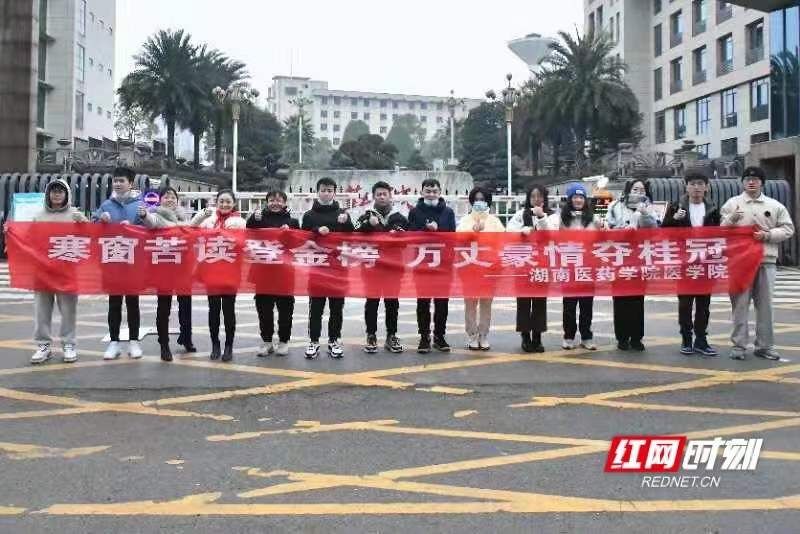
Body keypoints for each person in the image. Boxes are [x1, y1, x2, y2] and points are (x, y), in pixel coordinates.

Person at [721, 166, 795, 361]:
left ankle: (765, 346)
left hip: (766, 261)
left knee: (766, 306)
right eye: (747, 179)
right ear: (743, 182)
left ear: (762, 182)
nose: (751, 182)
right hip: (739, 262)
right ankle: (739, 346)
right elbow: (720, 230)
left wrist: (768, 235)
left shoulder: (774, 205)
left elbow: (788, 229)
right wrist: (731, 219)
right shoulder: (732, 204)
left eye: (755, 179)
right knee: (739, 305)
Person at [538, 183, 604, 352]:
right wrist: (541, 218)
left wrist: (604, 227)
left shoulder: (593, 219)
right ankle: (568, 336)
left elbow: (605, 236)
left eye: (581, 197)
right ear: (570, 199)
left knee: (586, 305)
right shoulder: (561, 218)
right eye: (575, 197)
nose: (578, 200)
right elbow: (546, 232)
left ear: (585, 200)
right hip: (568, 267)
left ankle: (587, 337)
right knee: (569, 305)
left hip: (588, 267)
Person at [662, 171, 721, 357]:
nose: (696, 187)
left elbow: (721, 234)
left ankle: (701, 340)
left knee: (704, 304)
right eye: (692, 183)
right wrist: (674, 220)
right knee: (685, 304)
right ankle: (686, 339)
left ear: (706, 187)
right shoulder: (675, 207)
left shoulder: (713, 209)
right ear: (686, 186)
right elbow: (663, 232)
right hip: (684, 263)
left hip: (705, 263)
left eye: (700, 183)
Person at [29, 179, 88, 364]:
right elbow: (28, 240)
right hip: (43, 272)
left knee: (68, 311)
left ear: (67, 194)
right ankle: (43, 345)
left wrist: (83, 222)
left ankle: (68, 344)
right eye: (53, 191)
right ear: (48, 194)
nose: (56, 194)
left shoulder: (75, 215)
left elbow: (89, 238)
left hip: (67, 271)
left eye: (60, 191)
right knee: (41, 311)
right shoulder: (38, 216)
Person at [93, 166, 145, 361]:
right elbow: (93, 227)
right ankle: (114, 343)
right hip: (112, 262)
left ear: (130, 183)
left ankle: (134, 342)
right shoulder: (106, 205)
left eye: (122, 180)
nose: (117, 183)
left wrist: (134, 228)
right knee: (114, 303)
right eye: (115, 180)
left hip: (133, 263)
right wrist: (101, 221)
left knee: (133, 303)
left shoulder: (139, 206)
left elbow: (149, 230)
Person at [301, 177, 355, 359]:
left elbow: (352, 235)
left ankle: (334, 340)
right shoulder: (309, 215)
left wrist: (346, 222)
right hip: (317, 266)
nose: (326, 193)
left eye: (329, 189)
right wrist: (317, 230)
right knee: (315, 307)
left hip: (338, 267)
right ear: (317, 192)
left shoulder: (342, 213)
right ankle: (313, 341)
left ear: (334, 192)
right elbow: (302, 237)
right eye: (323, 189)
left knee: (336, 308)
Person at [140, 186, 195, 362]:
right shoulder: (157, 215)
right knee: (164, 307)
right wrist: (143, 216)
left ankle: (186, 337)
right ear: (160, 199)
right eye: (166, 197)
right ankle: (164, 344)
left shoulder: (184, 218)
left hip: (183, 268)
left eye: (173, 197)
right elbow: (150, 221)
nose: (170, 199)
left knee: (186, 305)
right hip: (164, 268)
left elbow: (195, 230)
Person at [191, 189, 246, 362]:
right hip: (211, 270)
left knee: (229, 311)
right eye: (221, 201)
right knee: (213, 309)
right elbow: (191, 229)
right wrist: (201, 216)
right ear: (217, 202)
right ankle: (215, 345)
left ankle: (229, 346)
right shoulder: (209, 221)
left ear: (234, 204)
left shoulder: (239, 222)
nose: (225, 204)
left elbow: (242, 243)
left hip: (231, 271)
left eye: (228, 201)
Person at [606, 179, 659, 352]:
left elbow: (655, 229)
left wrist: (643, 214)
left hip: (640, 258)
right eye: (635, 189)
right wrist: (625, 229)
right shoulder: (615, 206)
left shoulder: (649, 207)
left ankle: (636, 338)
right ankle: (622, 337)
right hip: (619, 258)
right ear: (628, 190)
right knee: (620, 299)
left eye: (642, 189)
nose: (638, 192)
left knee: (637, 299)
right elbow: (608, 229)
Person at [356, 181, 408, 354]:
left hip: (394, 268)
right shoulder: (366, 214)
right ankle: (371, 335)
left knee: (392, 303)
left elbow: (407, 238)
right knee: (372, 302)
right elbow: (355, 232)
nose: (382, 197)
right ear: (374, 196)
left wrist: (397, 232)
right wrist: (368, 225)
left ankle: (391, 335)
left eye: (385, 194)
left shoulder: (399, 216)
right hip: (371, 267)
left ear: (390, 196)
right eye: (378, 194)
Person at [246, 190, 299, 357]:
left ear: (285, 203)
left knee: (285, 308)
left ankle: (283, 341)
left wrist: (290, 232)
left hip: (285, 271)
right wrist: (254, 218)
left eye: (279, 200)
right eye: (271, 200)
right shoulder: (259, 218)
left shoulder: (293, 221)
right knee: (264, 308)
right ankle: (267, 341)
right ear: (266, 202)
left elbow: (299, 244)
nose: (275, 203)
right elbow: (247, 231)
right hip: (262, 270)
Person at [408, 178, 456, 354]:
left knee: (442, 302)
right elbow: (410, 235)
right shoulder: (414, 212)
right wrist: (424, 229)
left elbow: (452, 235)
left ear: (440, 192)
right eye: (428, 191)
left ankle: (439, 336)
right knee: (423, 302)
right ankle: (424, 336)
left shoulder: (448, 212)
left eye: (434, 191)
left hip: (443, 264)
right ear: (422, 192)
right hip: (422, 263)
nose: (431, 194)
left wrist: (438, 228)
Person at [456, 186, 505, 350]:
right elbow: (458, 240)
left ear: (488, 202)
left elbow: (503, 242)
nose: (479, 202)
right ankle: (472, 335)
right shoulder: (465, 220)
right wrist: (473, 232)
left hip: (489, 268)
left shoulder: (495, 221)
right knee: (470, 303)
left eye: (482, 199)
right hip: (469, 268)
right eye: (476, 199)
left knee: (486, 303)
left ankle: (483, 335)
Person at [507, 185, 551, 353]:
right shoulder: (520, 214)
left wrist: (541, 218)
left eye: (540, 196)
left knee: (540, 302)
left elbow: (552, 235)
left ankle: (537, 337)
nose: (536, 199)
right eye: (533, 196)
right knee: (524, 302)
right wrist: (521, 232)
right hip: (523, 265)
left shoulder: (552, 215)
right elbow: (508, 232)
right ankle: (525, 336)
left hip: (542, 265)